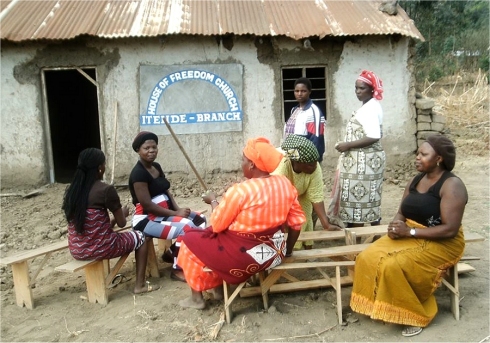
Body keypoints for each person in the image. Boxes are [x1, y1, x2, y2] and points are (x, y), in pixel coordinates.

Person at [350, 135, 467, 337]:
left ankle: (414, 315)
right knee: (366, 257)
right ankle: (379, 305)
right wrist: (395, 226)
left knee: (393, 266)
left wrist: (411, 232)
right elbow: (402, 211)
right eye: (417, 153)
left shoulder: (452, 185)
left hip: (442, 241)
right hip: (410, 232)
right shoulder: (416, 179)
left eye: (423, 154)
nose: (417, 158)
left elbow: (450, 229)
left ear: (438, 158)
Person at [176, 137, 306, 309]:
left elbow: (217, 225)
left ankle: (197, 299)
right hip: (275, 254)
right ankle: (217, 290)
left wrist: (213, 201)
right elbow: (296, 224)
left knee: (190, 240)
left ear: (252, 164)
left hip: (244, 259)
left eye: (243, 160)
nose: (241, 163)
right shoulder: (285, 184)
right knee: (212, 241)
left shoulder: (241, 191)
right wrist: (287, 252)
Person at [62, 148, 159, 294]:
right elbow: (121, 223)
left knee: (117, 236)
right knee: (142, 237)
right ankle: (140, 285)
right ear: (100, 168)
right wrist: (123, 213)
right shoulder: (105, 190)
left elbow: (92, 224)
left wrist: (110, 222)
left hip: (77, 249)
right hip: (101, 247)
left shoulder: (72, 191)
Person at [129, 131, 206, 282]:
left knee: (200, 220)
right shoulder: (138, 174)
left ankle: (172, 252)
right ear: (138, 150)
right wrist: (174, 214)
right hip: (147, 219)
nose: (151, 151)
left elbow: (166, 190)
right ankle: (177, 270)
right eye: (146, 148)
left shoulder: (156, 166)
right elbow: (148, 205)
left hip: (163, 214)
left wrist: (177, 209)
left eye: (154, 147)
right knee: (186, 227)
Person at [330, 70, 385, 228]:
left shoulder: (370, 109)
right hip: (365, 162)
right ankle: (372, 235)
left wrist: (347, 145)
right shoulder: (371, 106)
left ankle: (358, 239)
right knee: (369, 198)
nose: (358, 92)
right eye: (356, 88)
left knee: (358, 201)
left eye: (362, 88)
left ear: (372, 90)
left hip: (364, 164)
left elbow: (374, 136)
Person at [273, 134, 341, 250]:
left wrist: (326, 224)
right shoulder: (281, 168)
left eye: (316, 163)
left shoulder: (315, 168)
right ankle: (284, 249)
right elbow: (277, 198)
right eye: (310, 165)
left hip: (302, 194)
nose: (314, 167)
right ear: (297, 162)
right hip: (280, 199)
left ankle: (304, 248)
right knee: (285, 223)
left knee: (305, 218)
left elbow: (316, 196)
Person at [284, 77, 326, 162]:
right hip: (292, 158)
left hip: (306, 160)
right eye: (297, 91)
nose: (299, 94)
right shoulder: (294, 110)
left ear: (309, 92)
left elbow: (316, 138)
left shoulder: (313, 111)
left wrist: (312, 161)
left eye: (303, 91)